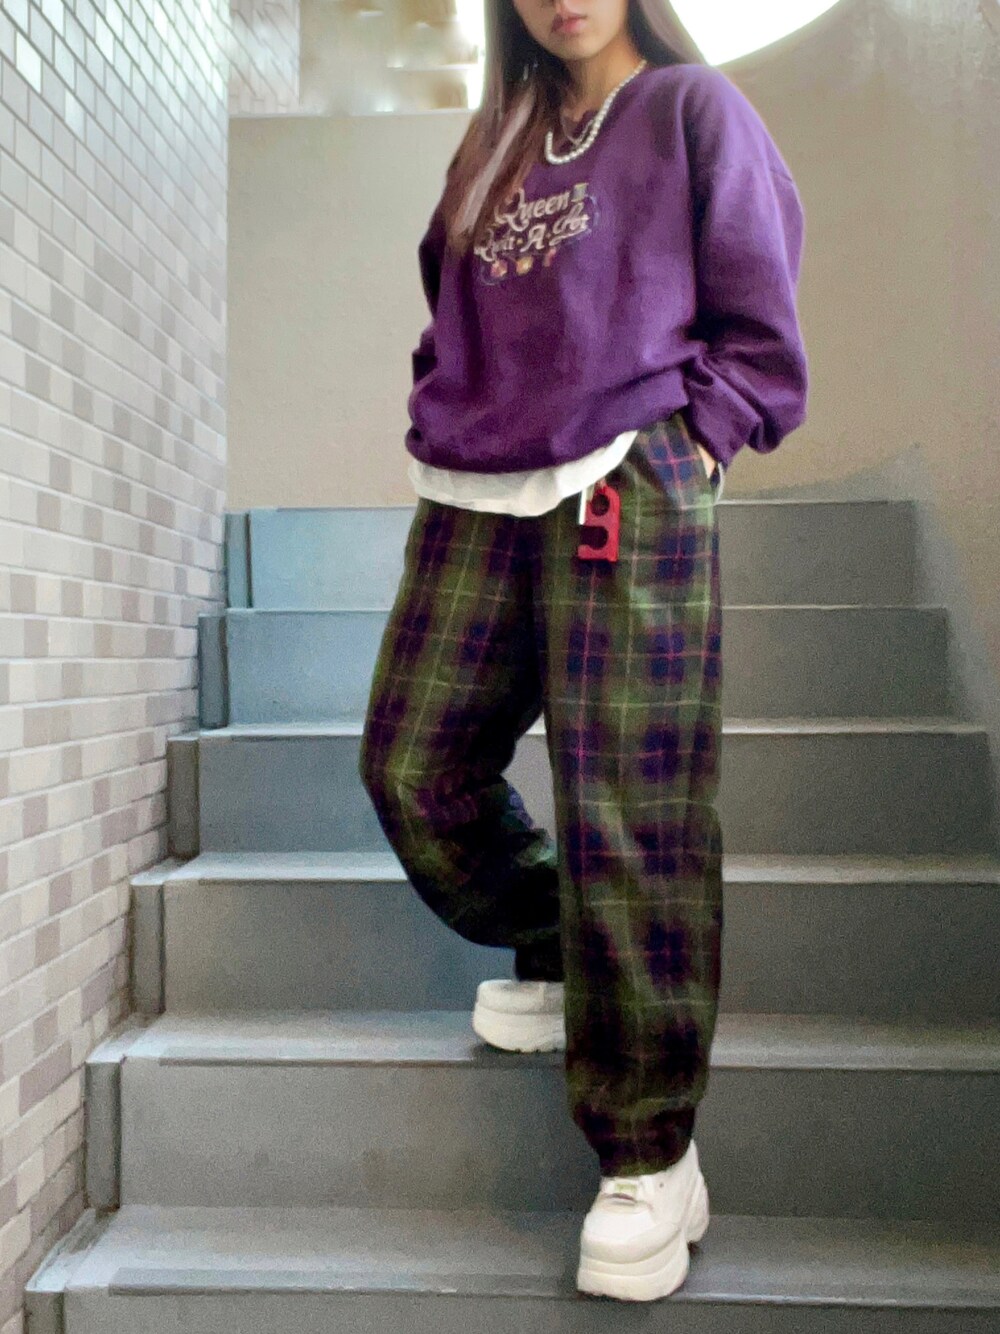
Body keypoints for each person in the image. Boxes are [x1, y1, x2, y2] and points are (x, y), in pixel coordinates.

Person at [359, 0, 809, 1304]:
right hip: (480, 487)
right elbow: (450, 305)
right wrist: (445, 397)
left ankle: (652, 1152)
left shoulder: (689, 109)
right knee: (412, 765)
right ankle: (568, 941)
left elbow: (759, 306)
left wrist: (700, 440)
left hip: (630, 472)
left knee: (631, 806)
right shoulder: (496, 140)